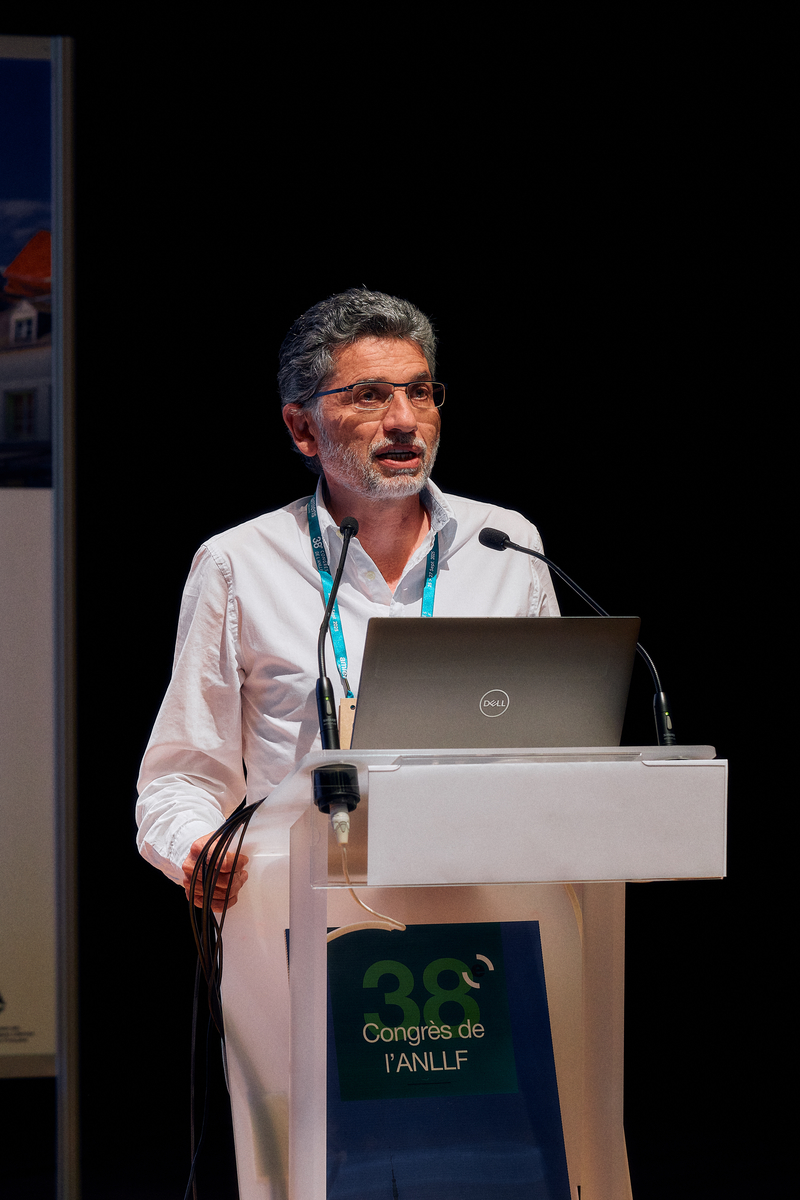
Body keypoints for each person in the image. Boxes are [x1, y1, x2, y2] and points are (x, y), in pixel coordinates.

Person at [136, 288, 559, 908]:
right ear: (303, 428)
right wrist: (193, 844)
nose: (404, 420)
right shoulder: (239, 563)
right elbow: (182, 773)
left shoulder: (506, 545)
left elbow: (558, 747)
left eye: (420, 391)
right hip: (302, 908)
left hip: (487, 905)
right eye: (370, 395)